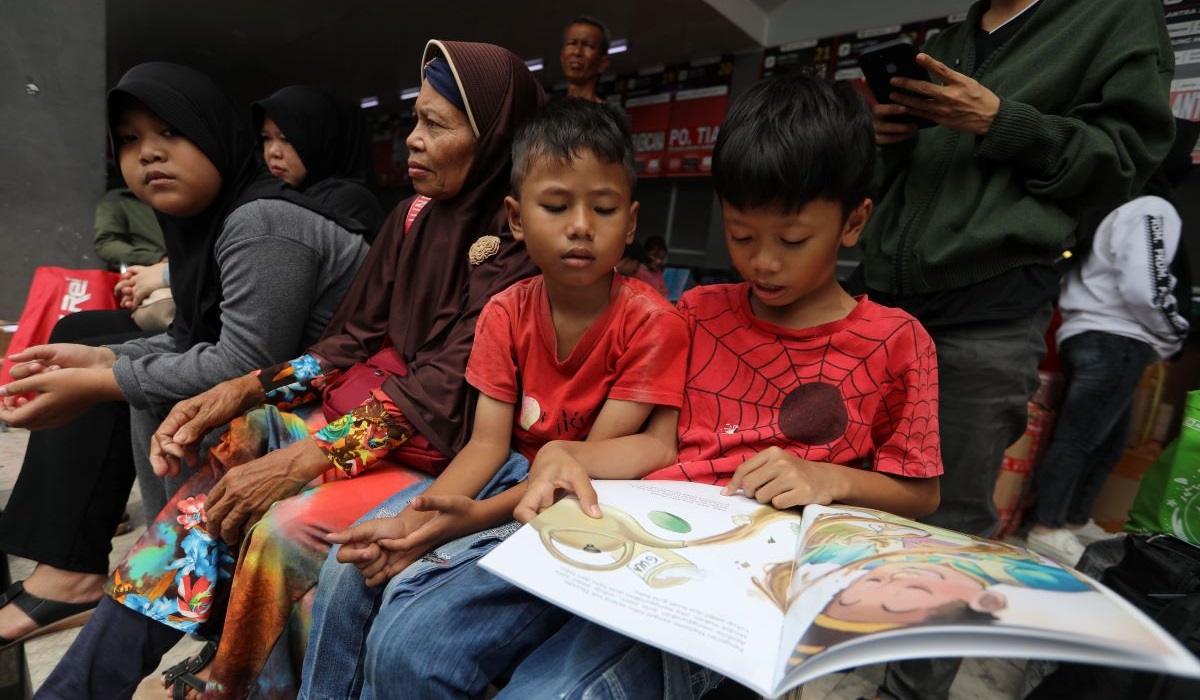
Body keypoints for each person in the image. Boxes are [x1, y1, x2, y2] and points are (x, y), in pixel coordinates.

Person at [355, 71, 943, 700]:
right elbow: (656, 443)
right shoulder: (693, 313)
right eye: (742, 236)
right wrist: (565, 461)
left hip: (736, 584)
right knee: (409, 647)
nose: (764, 261)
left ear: (854, 222)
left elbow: (922, 493)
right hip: (622, 539)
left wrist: (834, 480)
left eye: (793, 240)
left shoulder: (896, 341)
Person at [32, 40, 544, 700]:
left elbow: (441, 395)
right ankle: (83, 684)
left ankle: (231, 682)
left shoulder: (522, 243)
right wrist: (240, 389)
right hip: (365, 422)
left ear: (495, 136)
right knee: (228, 449)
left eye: (436, 125)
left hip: (438, 453)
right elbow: (345, 344)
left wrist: (306, 459)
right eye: (416, 119)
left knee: (287, 527)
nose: (412, 140)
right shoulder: (414, 217)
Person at [298, 97, 690, 699]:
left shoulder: (650, 323)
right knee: (349, 567)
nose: (581, 225)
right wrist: (423, 516)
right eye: (556, 206)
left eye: (604, 208)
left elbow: (578, 466)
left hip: (577, 499)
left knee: (416, 625)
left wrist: (459, 520)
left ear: (631, 222)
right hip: (508, 472)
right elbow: (486, 444)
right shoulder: (506, 309)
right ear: (514, 217)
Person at [847, 1, 1178, 698]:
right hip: (884, 305)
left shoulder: (1112, 17)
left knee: (951, 527)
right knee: (856, 511)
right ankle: (833, 669)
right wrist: (888, 140)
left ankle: (909, 693)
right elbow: (905, 187)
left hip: (988, 306)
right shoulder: (954, 36)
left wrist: (1002, 121)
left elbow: (1124, 162)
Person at [0, 62, 369, 656]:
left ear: (216, 134)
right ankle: (179, 577)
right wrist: (98, 355)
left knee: (159, 394)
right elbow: (191, 339)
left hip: (343, 415)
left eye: (170, 132)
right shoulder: (204, 222)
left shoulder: (262, 221)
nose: (148, 154)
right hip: (289, 398)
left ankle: (183, 580)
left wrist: (104, 379)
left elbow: (245, 364)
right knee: (142, 380)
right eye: (129, 140)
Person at [1025, 122, 1195, 566]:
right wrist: (1176, 329)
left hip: (1091, 333)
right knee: (1081, 438)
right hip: (1117, 337)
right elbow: (1147, 285)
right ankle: (1047, 527)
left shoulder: (1113, 201)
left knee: (1107, 442)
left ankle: (1074, 521)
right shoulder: (1153, 206)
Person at [254, 85, 387, 238]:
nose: (272, 152)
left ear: (319, 140)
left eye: (286, 139)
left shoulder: (348, 202)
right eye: (266, 138)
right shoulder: (281, 195)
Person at [93, 178, 166, 270]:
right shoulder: (120, 199)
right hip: (150, 271)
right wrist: (157, 258)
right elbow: (105, 244)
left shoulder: (183, 198)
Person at [560, 15, 611, 103]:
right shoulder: (547, 113)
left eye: (588, 45)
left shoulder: (609, 116)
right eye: (572, 43)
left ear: (602, 63)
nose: (577, 52)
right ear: (562, 57)